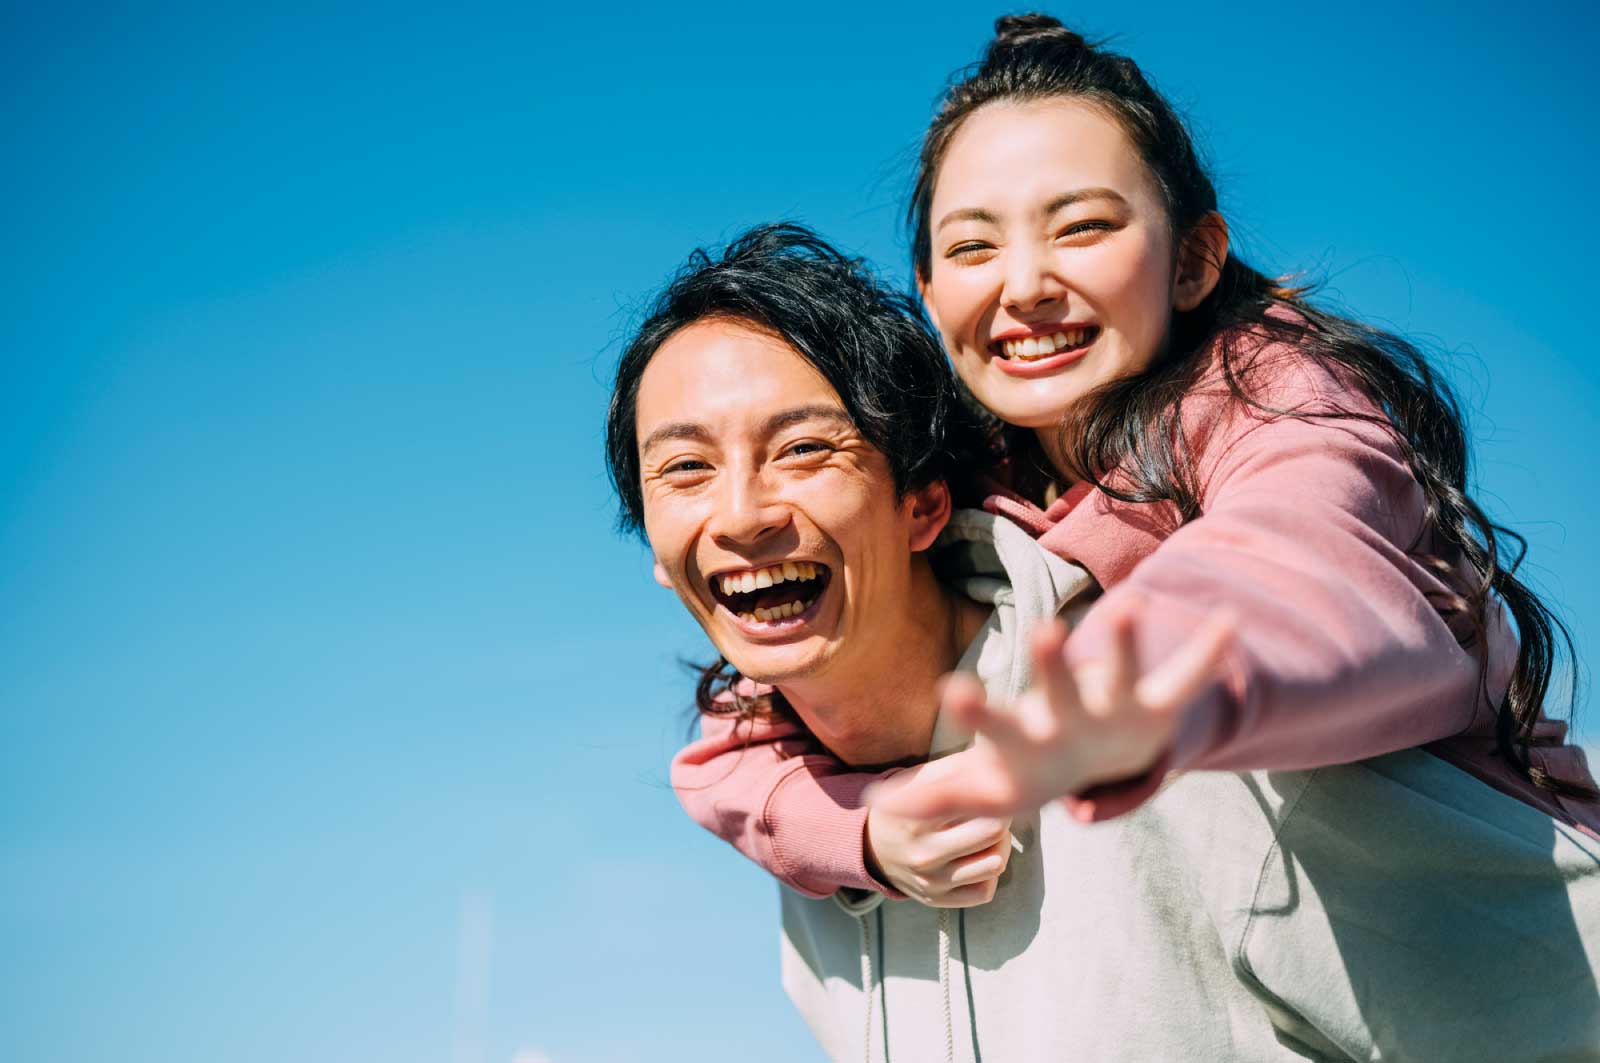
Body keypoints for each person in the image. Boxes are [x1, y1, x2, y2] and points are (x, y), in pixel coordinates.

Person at [670, 13, 1599, 918]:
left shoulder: (1279, 397)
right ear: (929, 290)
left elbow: (1300, 558)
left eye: (1081, 228)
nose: (1023, 285)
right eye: (972, 246)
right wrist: (861, 835)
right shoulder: (970, 478)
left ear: (1194, 260)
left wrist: (1145, 677)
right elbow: (732, 742)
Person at [606, 224, 1600, 1061]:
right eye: (684, 469)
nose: (739, 515)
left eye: (801, 449)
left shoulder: (1169, 727)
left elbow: (1569, 988)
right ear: (654, 548)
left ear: (921, 502)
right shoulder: (820, 873)